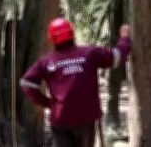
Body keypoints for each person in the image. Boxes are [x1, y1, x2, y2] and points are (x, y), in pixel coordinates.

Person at [20, 18, 132, 147]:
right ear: (72, 33)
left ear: (51, 38)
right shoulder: (89, 53)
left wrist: (47, 102)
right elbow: (117, 56)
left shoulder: (46, 61)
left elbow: (26, 83)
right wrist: (124, 37)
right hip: (87, 117)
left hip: (60, 118)